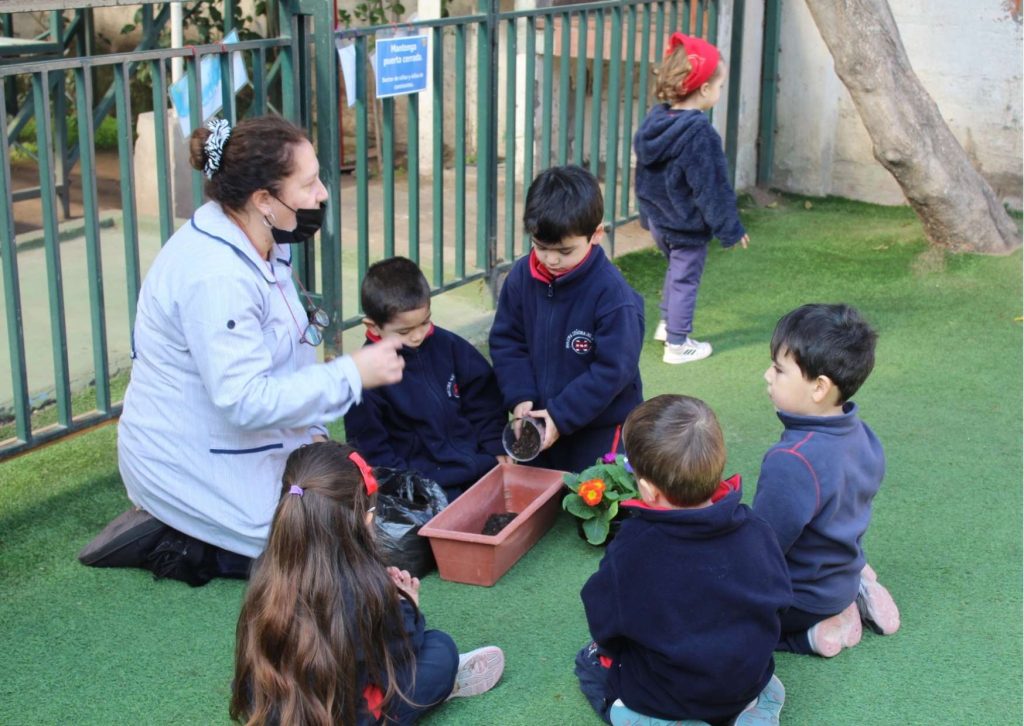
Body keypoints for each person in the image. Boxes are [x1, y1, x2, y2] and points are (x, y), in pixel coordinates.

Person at [78, 115, 404, 585]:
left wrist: (314, 437)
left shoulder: (266, 239)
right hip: (188, 457)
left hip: (243, 435)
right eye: (309, 183)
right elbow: (244, 400)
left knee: (356, 513)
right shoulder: (215, 276)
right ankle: (174, 538)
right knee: (321, 551)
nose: (323, 195)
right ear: (263, 200)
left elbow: (289, 353)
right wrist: (352, 373)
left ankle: (205, 526)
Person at [230, 441, 505, 725]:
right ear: (364, 518)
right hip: (341, 715)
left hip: (271, 710)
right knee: (441, 650)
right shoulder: (362, 586)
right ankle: (440, 688)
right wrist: (407, 605)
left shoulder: (266, 569)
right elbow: (400, 649)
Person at [575, 395, 792, 725]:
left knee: (589, 664)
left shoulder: (633, 548)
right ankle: (749, 707)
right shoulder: (756, 528)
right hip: (748, 680)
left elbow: (604, 619)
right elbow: (781, 601)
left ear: (648, 489)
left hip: (671, 694)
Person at [753, 303, 901, 658]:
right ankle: (856, 591)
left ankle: (810, 635)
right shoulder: (863, 434)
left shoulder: (792, 461)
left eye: (779, 369)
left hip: (801, 598)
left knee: (715, 612)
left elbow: (763, 547)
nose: (767, 375)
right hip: (839, 576)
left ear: (819, 387)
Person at [488, 165, 644, 473]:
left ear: (596, 234)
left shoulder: (614, 296)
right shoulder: (521, 278)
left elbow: (613, 370)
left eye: (564, 250)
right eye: (541, 247)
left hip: (599, 430)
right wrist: (520, 396)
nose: (551, 259)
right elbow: (508, 342)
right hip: (539, 421)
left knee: (596, 496)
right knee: (542, 495)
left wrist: (561, 415)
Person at [343, 257, 508, 502]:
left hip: (479, 466)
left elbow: (483, 398)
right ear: (373, 326)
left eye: (425, 322)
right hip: (425, 488)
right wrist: (412, 490)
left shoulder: (448, 346)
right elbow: (372, 450)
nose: (418, 336)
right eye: (404, 331)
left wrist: (494, 442)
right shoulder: (367, 378)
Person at [634, 32, 749, 365]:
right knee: (685, 278)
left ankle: (667, 323)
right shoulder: (699, 133)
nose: (720, 91)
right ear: (705, 89)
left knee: (675, 270)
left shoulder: (656, 121)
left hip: (660, 221)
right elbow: (711, 187)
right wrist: (730, 228)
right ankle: (677, 344)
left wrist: (647, 215)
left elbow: (644, 175)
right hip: (685, 225)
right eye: (720, 85)